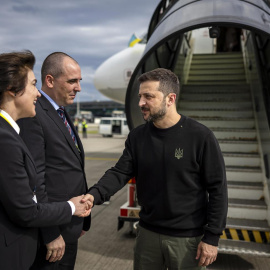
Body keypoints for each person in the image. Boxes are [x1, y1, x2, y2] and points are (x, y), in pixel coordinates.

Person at [82, 68, 228, 269]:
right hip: (147, 235)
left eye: (148, 96)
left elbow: (218, 190)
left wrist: (212, 237)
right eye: (140, 96)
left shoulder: (200, 137)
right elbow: (120, 171)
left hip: (187, 240)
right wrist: (94, 194)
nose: (141, 102)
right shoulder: (138, 137)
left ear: (170, 99)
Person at [0, 50, 91, 270]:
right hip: (50, 231)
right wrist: (53, 230)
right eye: (72, 81)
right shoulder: (28, 120)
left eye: (79, 81)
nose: (78, 87)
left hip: (66, 225)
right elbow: (34, 185)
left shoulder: (60, 112)